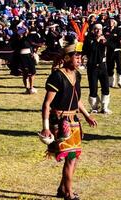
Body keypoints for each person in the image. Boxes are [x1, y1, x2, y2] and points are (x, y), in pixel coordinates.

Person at [41, 43, 97, 200]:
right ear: (66, 58)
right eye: (76, 56)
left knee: (74, 158)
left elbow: (76, 99)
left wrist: (86, 115)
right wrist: (46, 127)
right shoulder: (57, 76)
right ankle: (69, 194)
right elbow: (46, 105)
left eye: (80, 56)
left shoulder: (77, 75)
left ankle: (62, 189)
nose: (79, 59)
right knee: (71, 157)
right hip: (60, 122)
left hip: (74, 121)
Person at [82, 23, 112, 114]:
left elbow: (113, 47)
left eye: (100, 29)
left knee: (106, 87)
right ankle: (94, 107)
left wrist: (106, 42)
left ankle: (105, 107)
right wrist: (97, 41)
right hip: (92, 67)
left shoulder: (104, 38)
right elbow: (89, 50)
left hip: (102, 66)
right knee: (93, 88)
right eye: (96, 29)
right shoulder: (88, 39)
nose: (98, 31)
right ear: (93, 30)